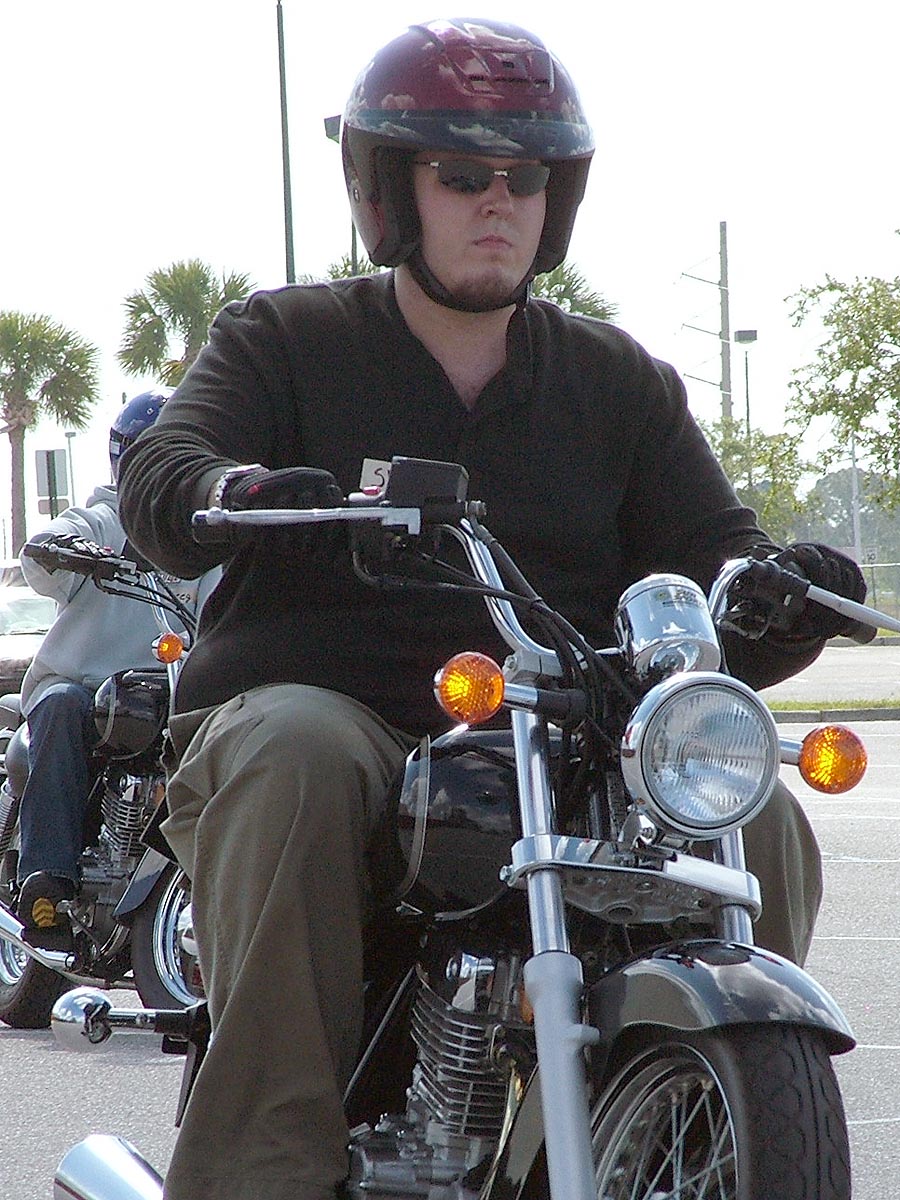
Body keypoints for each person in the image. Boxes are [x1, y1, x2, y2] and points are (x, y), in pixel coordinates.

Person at [117, 19, 866, 1200]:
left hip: (561, 731)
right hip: (337, 713)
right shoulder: (285, 339)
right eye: (463, 174)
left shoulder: (617, 381)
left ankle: (708, 1118)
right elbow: (168, 471)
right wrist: (235, 489)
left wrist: (777, 592)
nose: (499, 202)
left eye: (527, 177)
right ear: (391, 191)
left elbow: (714, 556)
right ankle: (263, 1166)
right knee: (295, 749)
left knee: (754, 808)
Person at [14, 389, 213, 948]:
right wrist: (63, 547)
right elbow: (42, 554)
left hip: (169, 688)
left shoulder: (204, 535)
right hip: (82, 684)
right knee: (63, 706)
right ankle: (46, 877)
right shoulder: (106, 517)